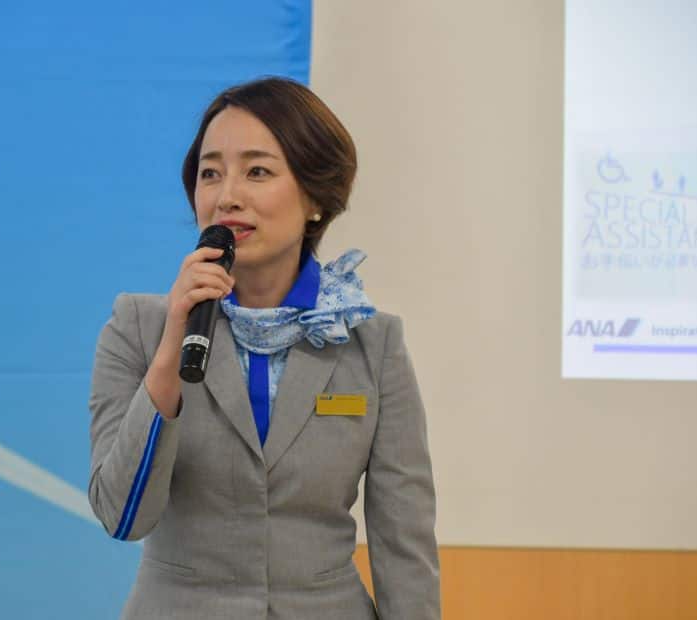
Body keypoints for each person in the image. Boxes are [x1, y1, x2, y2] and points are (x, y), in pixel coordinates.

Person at [88, 77, 440, 619]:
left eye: (257, 171)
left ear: (316, 197)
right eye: (210, 173)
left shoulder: (373, 344)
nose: (227, 195)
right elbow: (122, 516)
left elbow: (404, 544)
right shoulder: (138, 327)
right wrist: (172, 344)